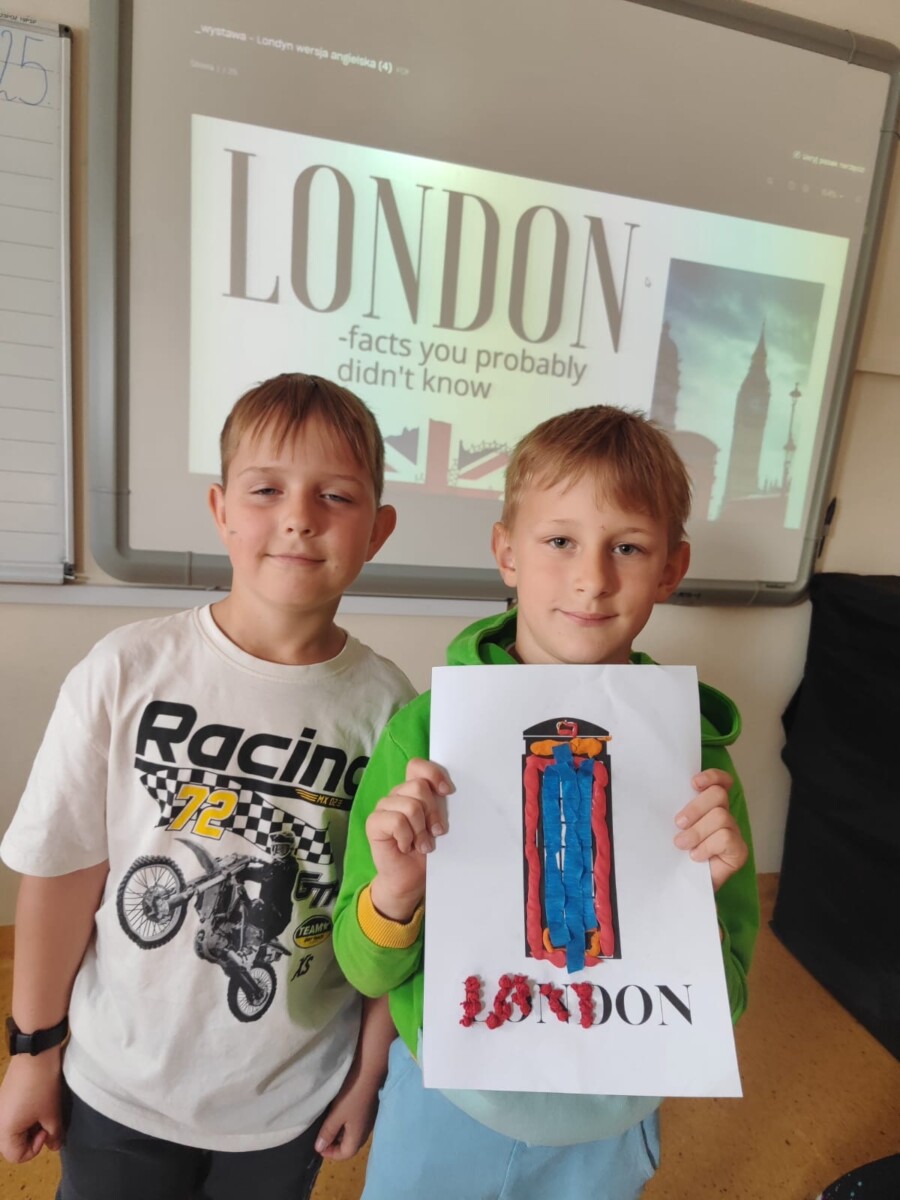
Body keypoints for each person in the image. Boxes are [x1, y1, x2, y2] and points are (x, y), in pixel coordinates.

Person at [0, 373, 416, 1200]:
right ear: (222, 510)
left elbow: (392, 911)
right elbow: (62, 870)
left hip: (289, 1099)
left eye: (336, 495)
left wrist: (368, 1078)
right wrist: (31, 1051)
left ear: (377, 530)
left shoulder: (391, 710)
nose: (299, 517)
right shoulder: (127, 668)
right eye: (266, 490)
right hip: (118, 1085)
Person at [333, 404, 760, 1200]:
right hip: (449, 1099)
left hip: (611, 1118)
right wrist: (396, 892)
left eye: (628, 547)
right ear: (507, 552)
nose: (593, 578)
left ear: (671, 568)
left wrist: (689, 910)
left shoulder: (694, 762)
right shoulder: (425, 734)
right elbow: (365, 967)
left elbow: (724, 1003)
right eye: (560, 540)